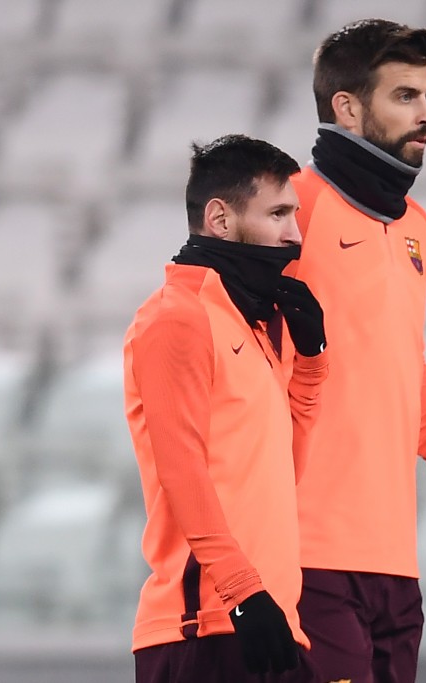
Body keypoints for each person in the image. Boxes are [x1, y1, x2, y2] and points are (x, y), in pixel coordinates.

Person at [285, 19, 426, 683]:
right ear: (348, 107)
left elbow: (401, 363)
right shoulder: (292, 208)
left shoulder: (417, 227)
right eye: (407, 96)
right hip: (308, 554)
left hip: (395, 561)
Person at [124, 134, 328, 682]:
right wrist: (243, 594)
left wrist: (310, 362)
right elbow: (181, 469)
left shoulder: (253, 323)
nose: (295, 234)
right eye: (279, 213)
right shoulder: (177, 317)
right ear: (219, 218)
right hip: (206, 627)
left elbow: (284, 474)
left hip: (273, 622)